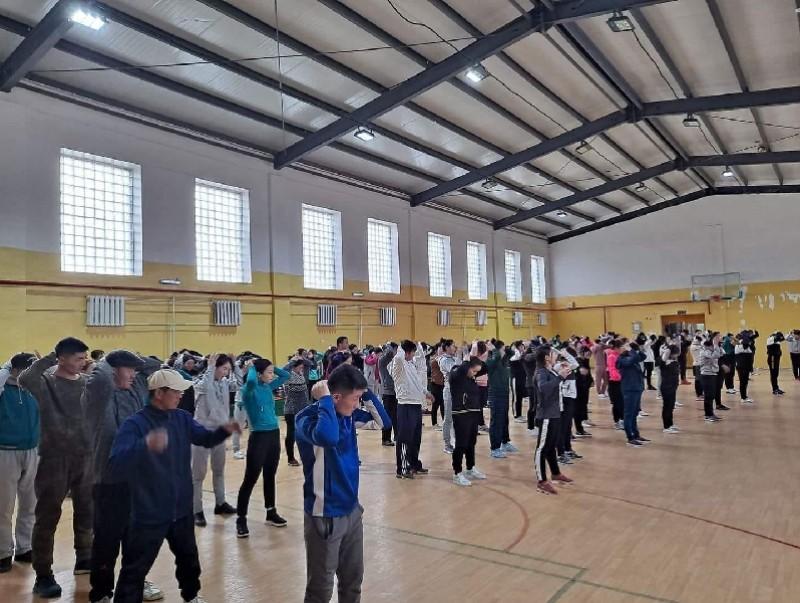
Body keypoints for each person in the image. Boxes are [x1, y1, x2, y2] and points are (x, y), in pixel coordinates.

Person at [108, 369, 239, 603]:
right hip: (149, 512)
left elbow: (204, 438)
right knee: (135, 568)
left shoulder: (182, 418)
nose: (180, 395)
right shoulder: (135, 424)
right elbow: (115, 465)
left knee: (189, 560)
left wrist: (223, 431)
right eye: (176, 391)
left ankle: (191, 596)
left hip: (181, 510)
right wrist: (145, 445)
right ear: (159, 393)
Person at [295, 365, 390, 603]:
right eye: (355, 399)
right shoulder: (307, 419)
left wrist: (365, 391)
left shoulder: (349, 416)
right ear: (335, 397)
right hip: (324, 514)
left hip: (351, 511)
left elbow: (383, 422)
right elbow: (327, 437)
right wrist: (325, 401)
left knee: (352, 581)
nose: (358, 405)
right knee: (320, 589)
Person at [81, 350, 164, 603]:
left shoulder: (135, 391)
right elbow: (99, 377)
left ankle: (133, 585)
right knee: (106, 543)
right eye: (129, 369)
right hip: (109, 483)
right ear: (113, 371)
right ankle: (101, 592)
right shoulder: (98, 396)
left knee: (136, 541)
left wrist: (134, 360)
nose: (134, 375)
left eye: (135, 370)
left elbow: (156, 366)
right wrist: (109, 359)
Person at [19, 337, 92, 598]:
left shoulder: (87, 383)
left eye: (84, 358)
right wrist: (51, 356)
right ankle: (43, 575)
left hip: (86, 457)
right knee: (48, 516)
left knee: (87, 511)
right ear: (62, 359)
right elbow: (25, 378)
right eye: (78, 358)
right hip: (54, 459)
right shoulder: (46, 383)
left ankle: (85, 559)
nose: (83, 362)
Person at [236, 358, 290, 538]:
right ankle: (241, 519)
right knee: (250, 479)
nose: (272, 375)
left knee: (270, 475)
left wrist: (271, 366)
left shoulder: (267, 387)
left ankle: (271, 511)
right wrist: (252, 367)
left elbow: (286, 375)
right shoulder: (248, 390)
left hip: (273, 434)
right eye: (269, 372)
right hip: (259, 437)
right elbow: (251, 381)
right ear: (259, 374)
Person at [192, 354, 242, 527]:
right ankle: (196, 510)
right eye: (224, 368)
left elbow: (240, 384)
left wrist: (235, 366)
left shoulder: (225, 383)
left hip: (219, 432)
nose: (226, 372)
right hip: (201, 433)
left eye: (228, 369)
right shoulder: (199, 381)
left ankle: (220, 503)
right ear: (213, 367)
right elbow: (205, 387)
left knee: (218, 470)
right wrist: (211, 367)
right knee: (198, 474)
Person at [0, 353, 38, 574]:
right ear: (14, 370)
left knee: (30, 504)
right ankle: (3, 551)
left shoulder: (34, 390)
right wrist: (5, 370)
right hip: (5, 451)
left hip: (33, 450)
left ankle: (26, 547)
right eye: (26, 370)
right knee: (4, 506)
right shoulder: (3, 389)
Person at [533, 347, 573, 495]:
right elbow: (543, 388)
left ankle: (555, 473)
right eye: (552, 354)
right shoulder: (541, 373)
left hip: (555, 413)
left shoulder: (550, 371)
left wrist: (562, 373)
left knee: (551, 446)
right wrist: (560, 377)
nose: (555, 355)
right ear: (546, 358)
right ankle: (541, 481)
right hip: (546, 415)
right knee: (542, 448)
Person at [391, 340, 433, 479]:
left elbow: (417, 381)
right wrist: (402, 347)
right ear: (407, 352)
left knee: (415, 438)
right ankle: (403, 468)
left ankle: (414, 464)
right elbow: (399, 357)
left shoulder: (410, 365)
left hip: (416, 405)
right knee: (404, 439)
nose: (414, 354)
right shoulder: (398, 365)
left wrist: (426, 393)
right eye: (413, 352)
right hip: (405, 405)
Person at [448, 359, 486, 486]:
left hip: (473, 412)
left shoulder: (470, 378)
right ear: (467, 366)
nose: (475, 374)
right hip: (461, 414)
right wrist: (468, 362)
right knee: (461, 444)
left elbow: (485, 368)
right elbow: (461, 369)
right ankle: (457, 473)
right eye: (474, 371)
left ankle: (470, 468)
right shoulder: (456, 374)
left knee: (471, 443)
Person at [486, 341, 517, 458]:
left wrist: (504, 349)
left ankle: (505, 442)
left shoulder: (504, 361)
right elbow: (497, 356)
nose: (504, 352)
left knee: (504, 419)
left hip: (504, 394)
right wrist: (494, 349)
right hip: (495, 394)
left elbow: (512, 352)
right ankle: (494, 448)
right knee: (496, 421)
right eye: (502, 349)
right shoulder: (491, 361)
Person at [617, 342, 648, 447]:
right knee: (629, 414)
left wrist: (637, 349)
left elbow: (643, 357)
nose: (625, 348)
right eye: (624, 346)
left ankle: (636, 435)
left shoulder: (633, 357)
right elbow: (634, 358)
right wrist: (631, 350)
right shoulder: (622, 360)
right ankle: (630, 437)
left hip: (637, 388)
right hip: (629, 389)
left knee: (634, 413)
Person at [282, 358, 311, 466]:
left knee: (305, 432)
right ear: (293, 367)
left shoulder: (302, 375)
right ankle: (290, 458)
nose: (302, 369)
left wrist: (302, 358)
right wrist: (292, 361)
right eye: (299, 367)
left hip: (303, 409)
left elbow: (309, 364)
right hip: (291, 410)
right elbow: (284, 369)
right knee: (291, 434)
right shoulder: (288, 376)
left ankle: (306, 455)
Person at [438, 340, 459, 454]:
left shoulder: (453, 358)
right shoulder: (444, 360)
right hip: (449, 390)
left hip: (457, 390)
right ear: (447, 348)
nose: (455, 348)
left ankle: (457, 442)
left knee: (457, 417)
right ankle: (447, 444)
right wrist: (460, 359)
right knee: (448, 418)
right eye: (453, 346)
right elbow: (455, 371)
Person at [378, 343, 398, 446]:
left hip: (396, 392)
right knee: (388, 416)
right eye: (396, 349)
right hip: (388, 392)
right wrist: (390, 346)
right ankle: (385, 438)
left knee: (396, 416)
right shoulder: (383, 360)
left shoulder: (395, 360)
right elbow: (389, 354)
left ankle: (397, 435)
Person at [699, 335, 724, 422]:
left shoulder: (711, 351)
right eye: (713, 345)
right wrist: (716, 345)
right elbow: (715, 355)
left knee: (712, 395)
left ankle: (711, 414)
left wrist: (718, 345)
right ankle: (708, 415)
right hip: (706, 375)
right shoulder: (705, 351)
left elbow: (721, 354)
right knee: (708, 396)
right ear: (709, 345)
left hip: (712, 374)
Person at [658, 345, 681, 433]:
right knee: (667, 406)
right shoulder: (664, 362)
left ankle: (670, 424)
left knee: (671, 406)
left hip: (673, 387)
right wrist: (668, 350)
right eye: (675, 354)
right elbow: (663, 360)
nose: (676, 356)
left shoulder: (674, 361)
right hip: (666, 387)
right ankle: (666, 427)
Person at [605, 341, 624, 430]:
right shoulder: (612, 357)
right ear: (616, 348)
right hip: (615, 383)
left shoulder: (621, 356)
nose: (623, 348)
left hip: (621, 382)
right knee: (617, 403)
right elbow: (612, 370)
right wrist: (621, 377)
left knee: (622, 403)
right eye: (622, 347)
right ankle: (617, 422)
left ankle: (622, 420)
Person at [735, 332, 756, 404]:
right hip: (742, 367)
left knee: (745, 382)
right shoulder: (739, 347)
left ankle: (745, 396)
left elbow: (751, 348)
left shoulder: (747, 347)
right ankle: (743, 398)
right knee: (743, 382)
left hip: (747, 366)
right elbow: (745, 345)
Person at [428, 345, 445, 430]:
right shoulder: (434, 360)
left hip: (442, 384)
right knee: (435, 404)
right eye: (440, 349)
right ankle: (434, 423)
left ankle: (444, 422)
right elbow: (433, 364)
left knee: (443, 404)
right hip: (435, 384)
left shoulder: (443, 359)